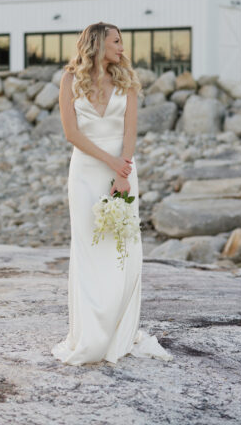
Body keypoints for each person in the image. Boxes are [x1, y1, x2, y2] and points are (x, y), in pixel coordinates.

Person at [51, 21, 173, 365]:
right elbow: (71, 133)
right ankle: (90, 335)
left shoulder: (127, 80)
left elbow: (130, 129)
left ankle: (119, 331)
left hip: (123, 173)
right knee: (90, 250)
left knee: (123, 250)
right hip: (87, 173)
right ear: (97, 44)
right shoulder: (70, 80)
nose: (122, 47)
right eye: (116, 41)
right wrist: (110, 162)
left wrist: (124, 170)